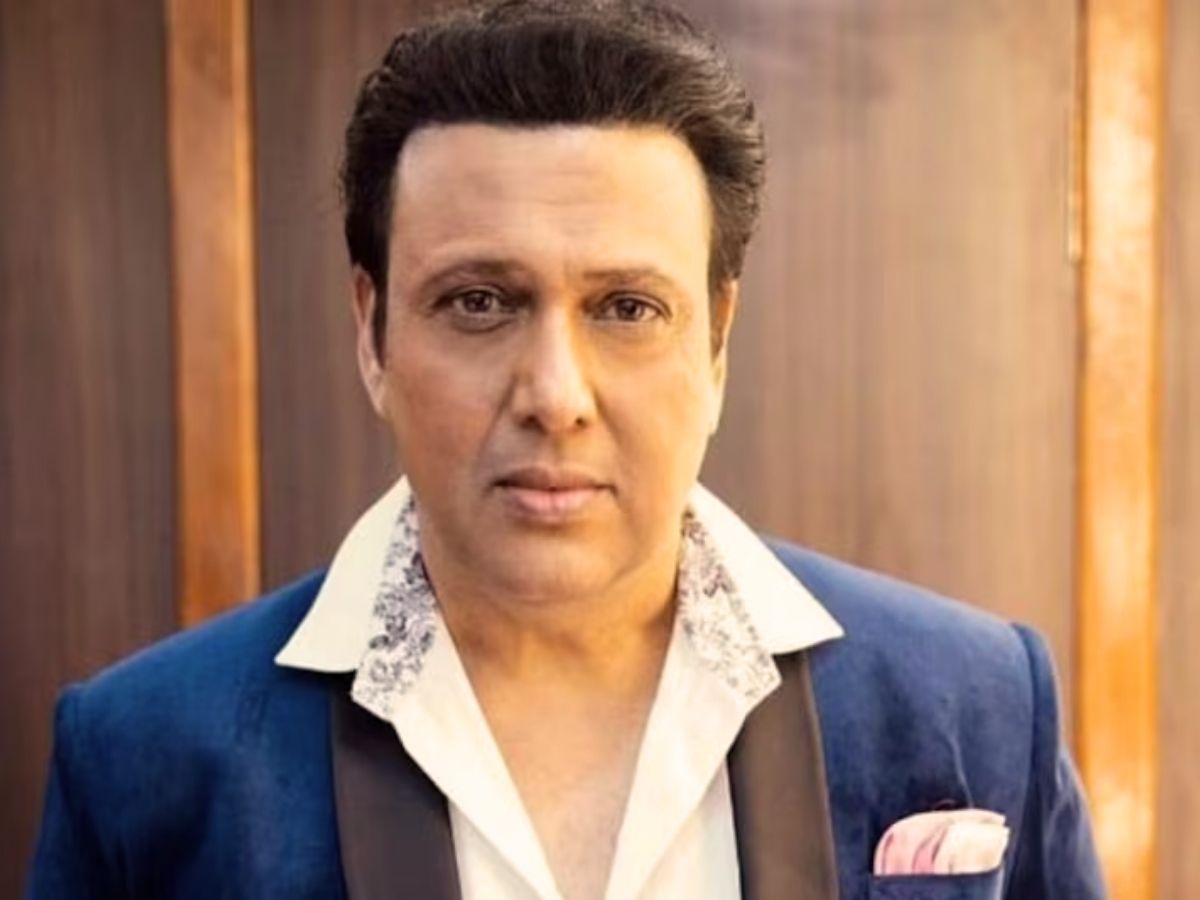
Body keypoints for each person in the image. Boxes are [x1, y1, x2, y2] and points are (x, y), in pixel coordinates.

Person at [26, 2, 1104, 898]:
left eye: (628, 308)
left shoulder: (972, 703)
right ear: (372, 332)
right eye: (479, 301)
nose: (554, 395)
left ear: (717, 342)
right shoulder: (143, 759)